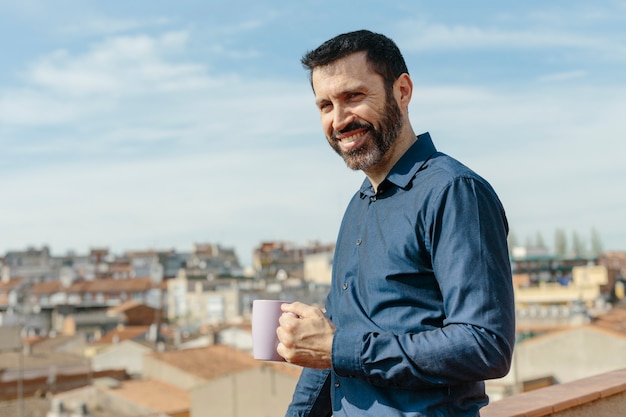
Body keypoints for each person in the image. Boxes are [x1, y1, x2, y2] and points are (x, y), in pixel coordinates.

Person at [277, 29, 515, 417]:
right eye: (325, 105)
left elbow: (484, 344)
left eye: (353, 97)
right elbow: (331, 342)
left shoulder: (455, 192)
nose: (339, 119)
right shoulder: (358, 206)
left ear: (402, 91)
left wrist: (339, 348)